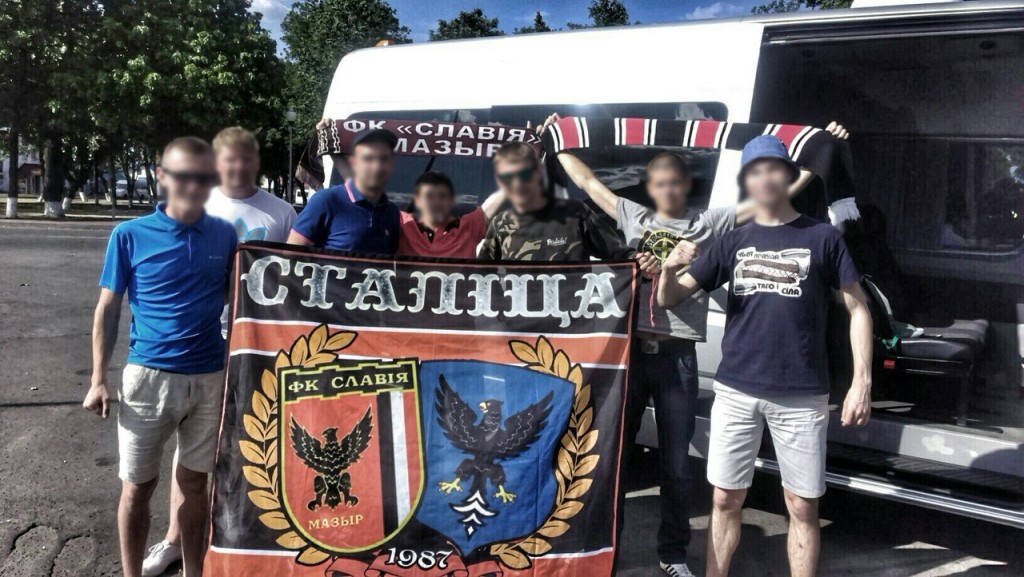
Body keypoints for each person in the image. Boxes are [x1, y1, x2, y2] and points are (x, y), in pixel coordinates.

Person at [549, 113, 849, 577]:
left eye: (676, 181)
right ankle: (605, 551)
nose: (668, 188)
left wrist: (820, 150)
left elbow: (776, 192)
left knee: (676, 466)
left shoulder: (711, 223)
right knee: (612, 459)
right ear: (651, 187)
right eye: (660, 182)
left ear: (686, 186)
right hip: (630, 355)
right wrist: (559, 142)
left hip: (678, 360)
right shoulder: (633, 216)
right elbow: (589, 183)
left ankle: (672, 555)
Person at [657, 135, 873, 577]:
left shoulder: (823, 237)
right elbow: (671, 298)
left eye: (773, 168)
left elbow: (859, 310)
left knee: (802, 505)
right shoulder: (733, 240)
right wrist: (667, 268)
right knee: (724, 498)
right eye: (755, 171)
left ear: (788, 175)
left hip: (802, 395)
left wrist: (861, 383)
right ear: (747, 182)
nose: (764, 178)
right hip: (736, 391)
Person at [138, 127, 296, 576]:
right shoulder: (198, 204)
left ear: (255, 161)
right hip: (203, 343)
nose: (238, 166)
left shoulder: (282, 212)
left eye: (246, 158)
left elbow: (296, 276)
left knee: (254, 436)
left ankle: (242, 537)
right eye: (230, 159)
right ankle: (174, 539)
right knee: (189, 446)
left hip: (260, 341)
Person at [83, 137, 237, 577]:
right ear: (163, 177)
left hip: (209, 377)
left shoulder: (225, 234)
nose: (194, 185)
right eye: (184, 175)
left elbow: (238, 298)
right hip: (148, 378)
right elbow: (108, 307)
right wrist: (98, 379)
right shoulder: (129, 234)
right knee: (138, 488)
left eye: (204, 177)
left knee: (195, 484)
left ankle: (194, 572)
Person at [479, 141, 634, 261]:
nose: (517, 183)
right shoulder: (500, 223)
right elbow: (479, 276)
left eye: (524, 174)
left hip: (574, 296)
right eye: (508, 176)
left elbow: (623, 257)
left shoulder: (576, 212)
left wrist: (643, 265)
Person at [287, 127, 401, 253]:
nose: (377, 166)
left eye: (384, 159)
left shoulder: (392, 212)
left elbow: (390, 261)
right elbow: (291, 255)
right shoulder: (325, 201)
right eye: (369, 158)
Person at [397, 170, 505, 258]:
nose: (436, 202)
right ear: (417, 200)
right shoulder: (402, 222)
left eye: (442, 196)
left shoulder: (468, 227)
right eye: (429, 196)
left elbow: (501, 197)